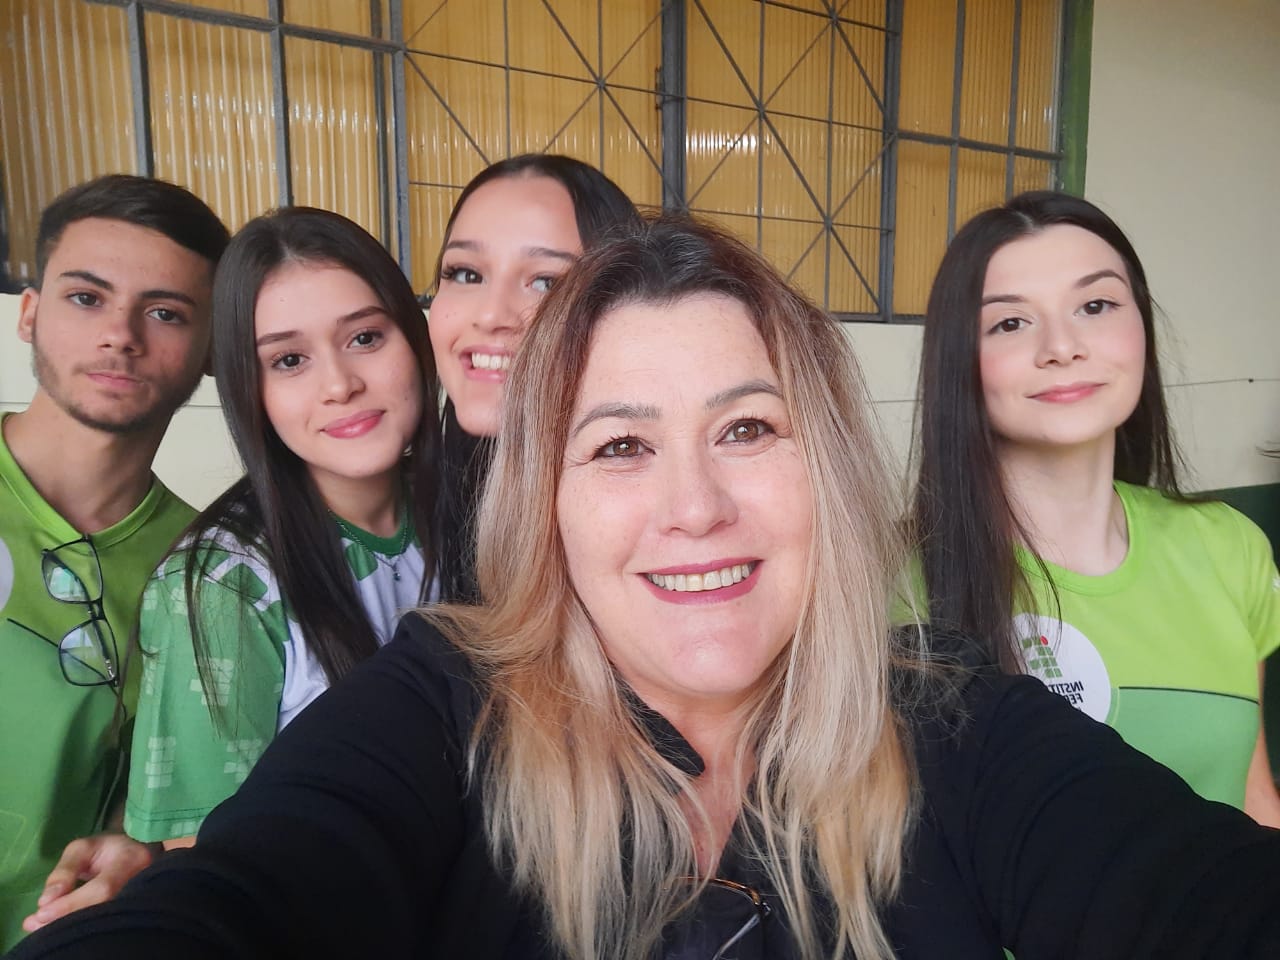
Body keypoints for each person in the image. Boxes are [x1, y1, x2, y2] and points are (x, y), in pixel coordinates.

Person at [10, 215, 1280, 960]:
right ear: (545, 506)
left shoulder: (958, 717)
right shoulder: (442, 704)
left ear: (830, 469)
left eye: (747, 429)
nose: (694, 506)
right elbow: (262, 886)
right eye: (618, 446)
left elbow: (1181, 888)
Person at [910, 190, 1280, 824]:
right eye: (1010, 323)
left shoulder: (1230, 545)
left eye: (1096, 305)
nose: (1062, 346)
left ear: (1141, 326)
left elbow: (1254, 796)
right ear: (960, 361)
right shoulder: (891, 584)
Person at [118, 207, 441, 850]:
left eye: (365, 338)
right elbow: (205, 859)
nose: (340, 385)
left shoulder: (472, 513)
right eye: (290, 360)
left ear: (414, 339)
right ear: (251, 389)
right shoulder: (224, 586)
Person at [0, 175, 229, 948]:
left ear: (210, 351)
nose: (121, 335)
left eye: (165, 312)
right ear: (30, 314)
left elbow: (158, 805)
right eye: (86, 297)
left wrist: (142, 851)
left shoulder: (212, 573)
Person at [427, 154, 640, 601]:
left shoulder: (649, 513)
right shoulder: (431, 502)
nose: (491, 315)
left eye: (546, 282)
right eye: (466, 274)